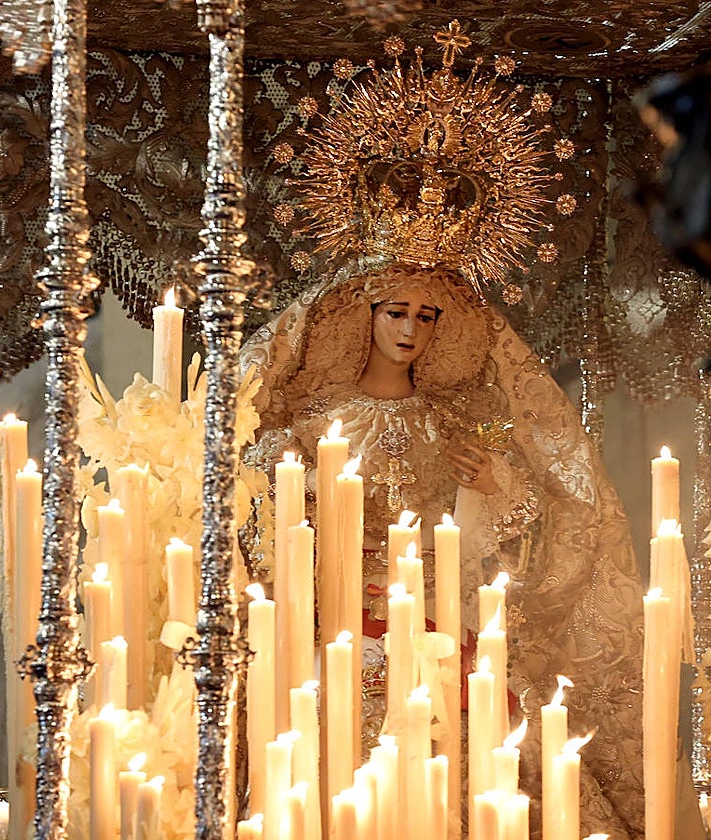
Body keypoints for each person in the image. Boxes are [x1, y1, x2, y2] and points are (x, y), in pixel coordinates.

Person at [241, 259, 649, 839]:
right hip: (336, 618)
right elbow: (266, 516)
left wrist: (495, 484)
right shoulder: (316, 427)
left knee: (492, 719)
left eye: (426, 317)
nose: (410, 330)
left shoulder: (450, 424)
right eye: (397, 313)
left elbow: (520, 527)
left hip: (439, 611)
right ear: (366, 317)